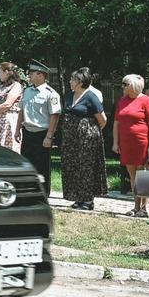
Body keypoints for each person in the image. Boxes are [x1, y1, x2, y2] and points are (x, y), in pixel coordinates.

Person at [60, 68, 107, 209]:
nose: (69, 81)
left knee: (86, 166)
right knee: (72, 165)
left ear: (80, 82)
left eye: (72, 79)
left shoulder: (91, 96)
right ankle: (77, 197)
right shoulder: (70, 96)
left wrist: (91, 131)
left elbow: (102, 119)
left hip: (87, 137)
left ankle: (87, 200)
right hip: (71, 137)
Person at [115, 74, 149, 217]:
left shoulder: (147, 101)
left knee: (144, 175)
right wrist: (115, 142)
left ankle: (144, 208)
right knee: (133, 175)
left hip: (143, 142)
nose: (123, 86)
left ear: (134, 85)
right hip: (127, 143)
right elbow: (116, 123)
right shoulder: (122, 101)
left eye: (125, 84)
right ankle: (136, 206)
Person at [19, 62, 61, 193]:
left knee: (42, 166)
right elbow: (21, 110)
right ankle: (27, 190)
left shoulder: (50, 93)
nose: (29, 76)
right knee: (27, 164)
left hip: (42, 133)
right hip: (28, 131)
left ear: (41, 75)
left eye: (32, 73)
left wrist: (49, 136)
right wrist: (17, 130)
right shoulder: (27, 91)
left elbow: (54, 116)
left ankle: (43, 193)